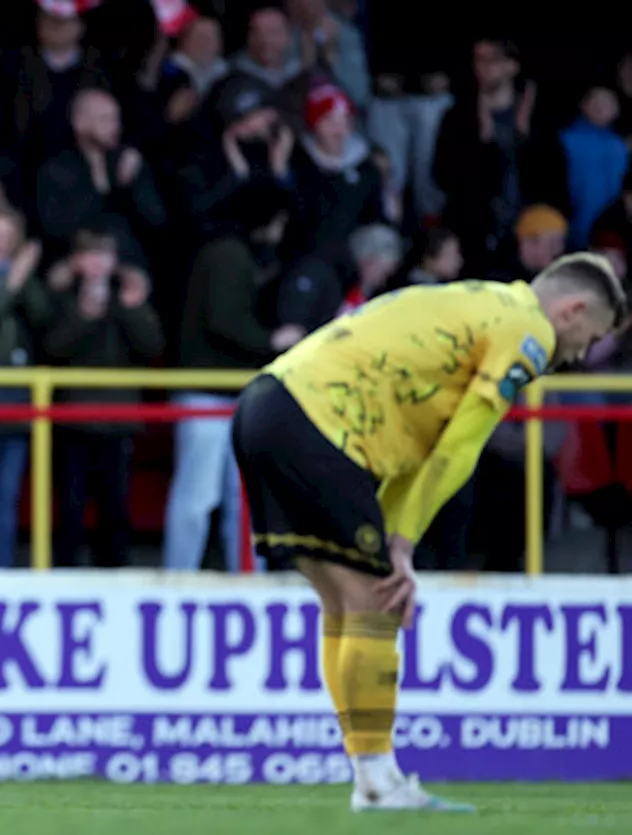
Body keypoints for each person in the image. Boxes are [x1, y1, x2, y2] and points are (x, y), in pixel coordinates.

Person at [232, 253, 625, 812]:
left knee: (349, 605)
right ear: (573, 310)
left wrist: (395, 540)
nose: (581, 352)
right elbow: (462, 443)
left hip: (268, 405)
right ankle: (378, 784)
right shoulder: (528, 330)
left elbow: (419, 451)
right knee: (373, 602)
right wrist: (403, 543)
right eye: (589, 337)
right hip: (315, 423)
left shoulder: (481, 304)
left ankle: (373, 778)